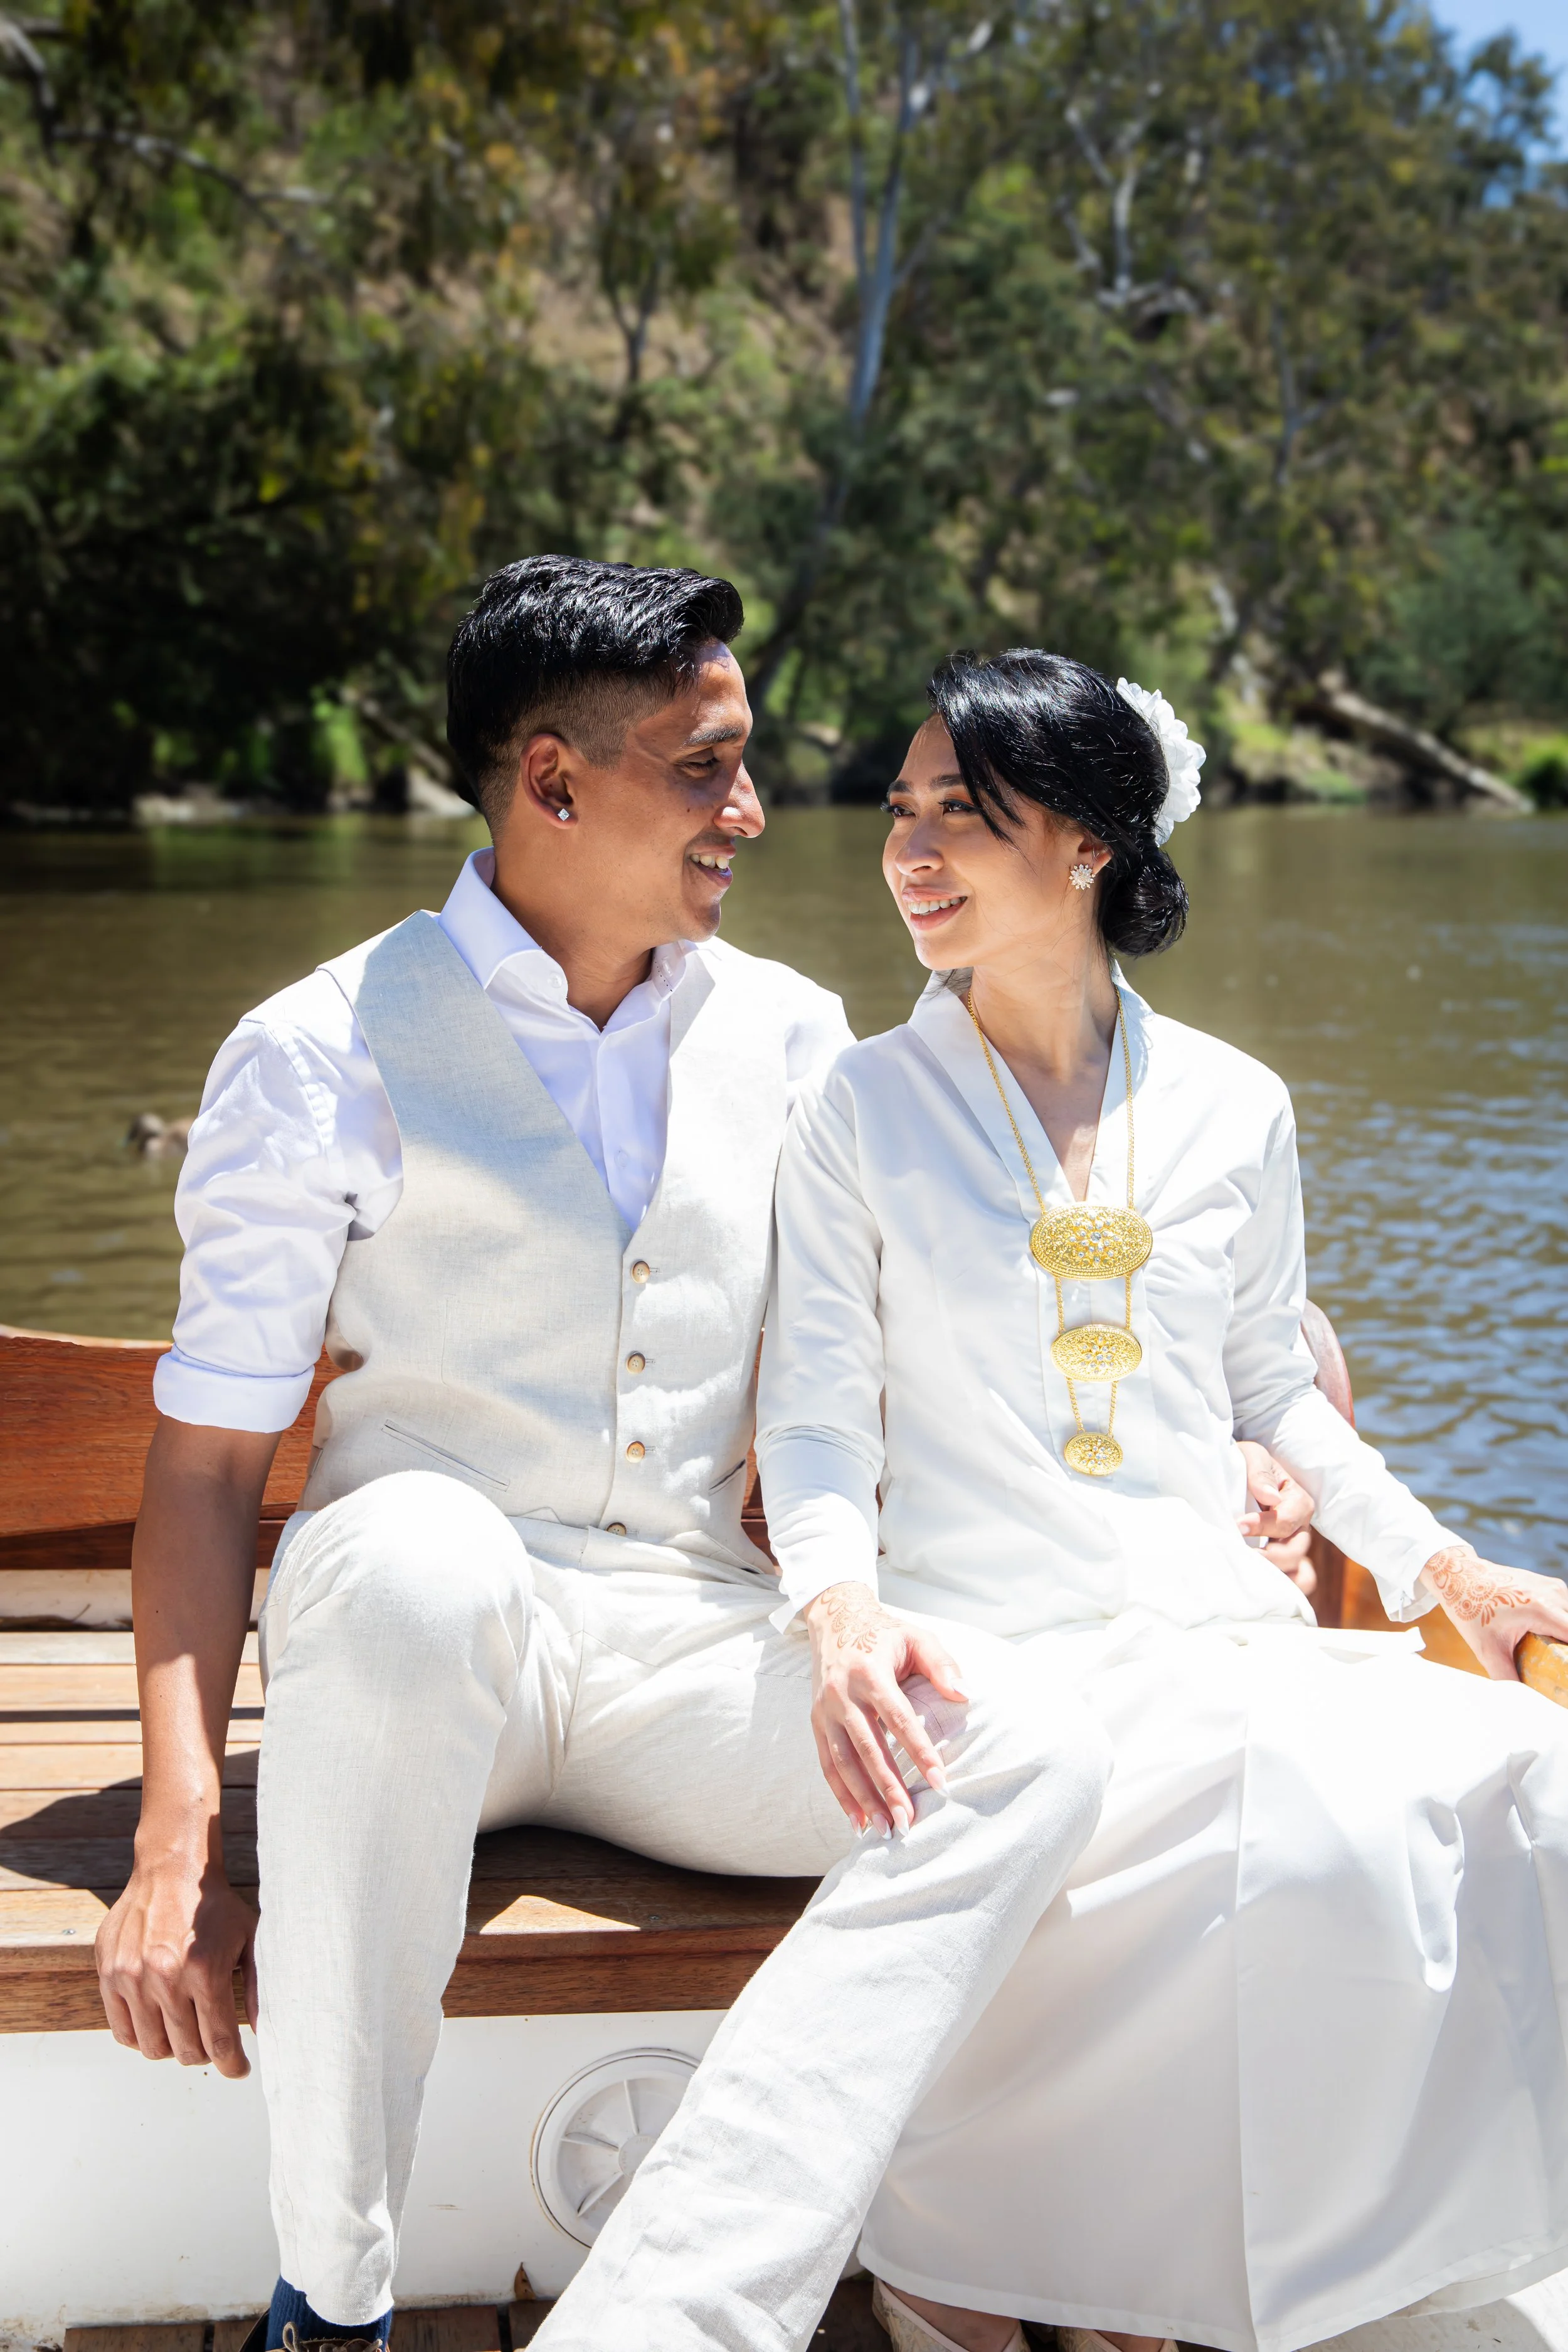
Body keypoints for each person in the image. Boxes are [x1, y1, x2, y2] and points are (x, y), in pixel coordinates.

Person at [95, 559, 1125, 2352]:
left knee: (1022, 1754)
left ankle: (673, 2300)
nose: (749, 810)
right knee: (419, 1560)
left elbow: (926, 1327)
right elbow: (201, 1470)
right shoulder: (317, 1047)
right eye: (702, 767)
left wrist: (1248, 1413)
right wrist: (183, 1822)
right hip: (417, 1646)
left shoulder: (798, 1035)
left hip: (680, 1649)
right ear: (550, 784)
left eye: (744, 764)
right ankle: (326, 2299)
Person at [756, 649, 1568, 2352]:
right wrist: (835, 1613)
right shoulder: (857, 1108)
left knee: (1513, 1771)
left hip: (1206, 1616)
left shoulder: (1231, 1105)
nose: (907, 851)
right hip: (984, 1640)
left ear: (1088, 846)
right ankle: (976, 2260)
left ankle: (1316, 2275)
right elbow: (815, 1425)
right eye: (899, 814)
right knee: (1284, 1805)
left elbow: (1270, 1390)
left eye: (960, 816)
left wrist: (1442, 1566)